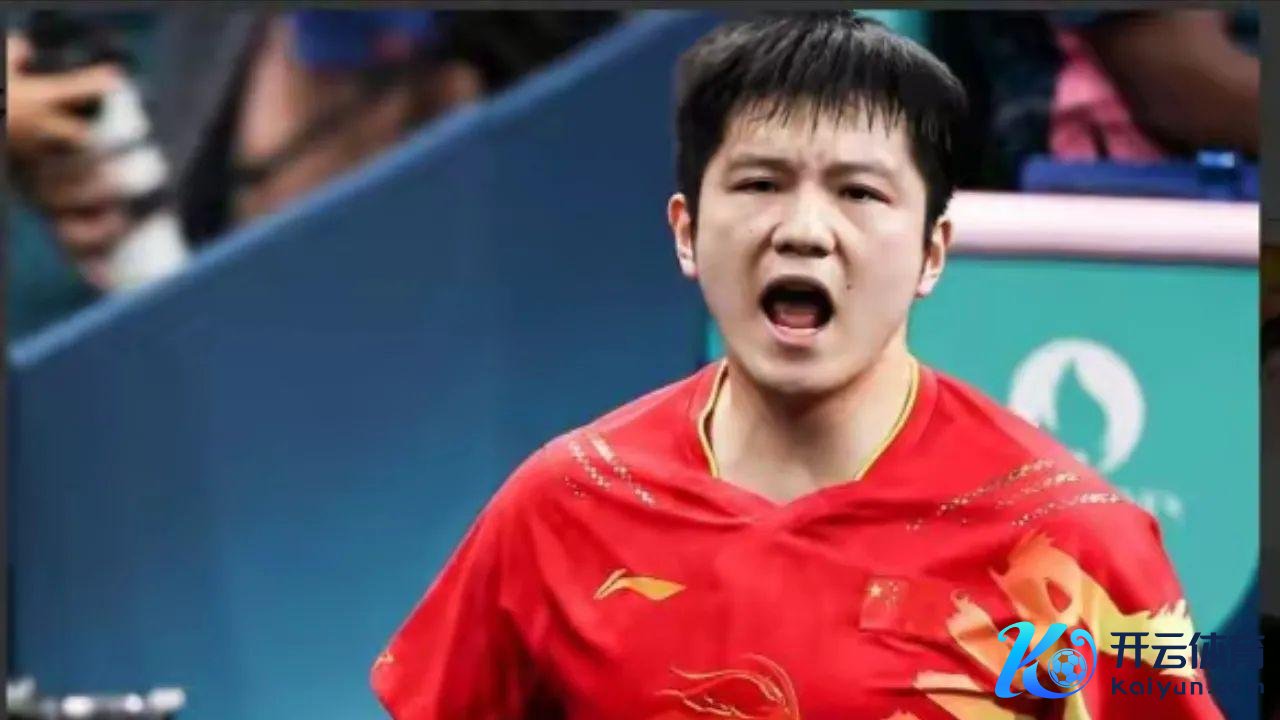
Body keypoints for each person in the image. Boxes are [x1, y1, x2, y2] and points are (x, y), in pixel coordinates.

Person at [371, 13, 1224, 719]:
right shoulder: (561, 508)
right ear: (686, 233)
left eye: (859, 193)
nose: (805, 231)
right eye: (760, 185)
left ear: (932, 253)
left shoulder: (1074, 541)